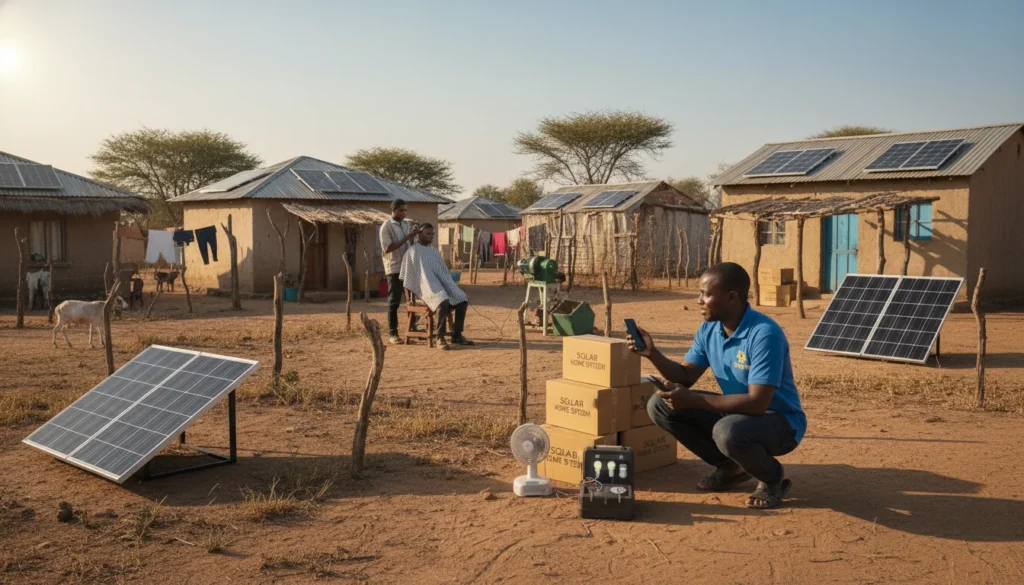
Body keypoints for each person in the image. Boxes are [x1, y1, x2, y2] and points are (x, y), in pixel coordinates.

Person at [627, 262, 806, 509]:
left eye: (706, 294)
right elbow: (685, 376)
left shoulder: (765, 334)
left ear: (731, 297)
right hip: (738, 414)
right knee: (660, 405)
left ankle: (773, 479)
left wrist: (695, 400)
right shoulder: (709, 329)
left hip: (780, 422)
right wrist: (652, 353)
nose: (699, 300)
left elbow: (757, 403)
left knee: (727, 430)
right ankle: (730, 468)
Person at [399, 223, 474, 350]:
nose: (431, 236)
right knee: (442, 301)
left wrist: (448, 284)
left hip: (439, 286)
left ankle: (457, 334)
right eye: (428, 233)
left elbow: (443, 271)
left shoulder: (433, 251)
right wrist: (427, 287)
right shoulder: (412, 252)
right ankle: (440, 337)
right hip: (424, 289)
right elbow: (410, 276)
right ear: (419, 234)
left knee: (462, 298)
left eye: (432, 234)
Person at [379, 199, 421, 344]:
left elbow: (409, 243)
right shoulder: (386, 226)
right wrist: (407, 237)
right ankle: (393, 333)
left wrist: (414, 235)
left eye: (405, 210)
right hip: (394, 267)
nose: (404, 213)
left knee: (412, 299)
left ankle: (413, 328)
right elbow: (388, 248)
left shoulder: (405, 224)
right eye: (401, 210)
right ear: (394, 210)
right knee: (394, 301)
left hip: (408, 265)